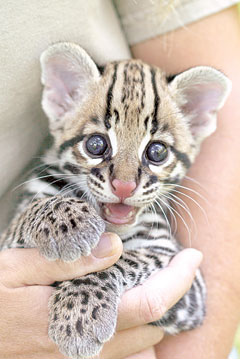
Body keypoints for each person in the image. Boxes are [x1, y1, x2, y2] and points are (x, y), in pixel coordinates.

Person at [0, 1, 239, 358]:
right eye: (97, 145)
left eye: (155, 153)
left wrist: (100, 280)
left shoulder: (154, 214)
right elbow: (15, 245)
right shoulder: (48, 189)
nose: (124, 182)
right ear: (63, 101)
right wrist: (52, 215)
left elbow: (189, 305)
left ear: (196, 120)